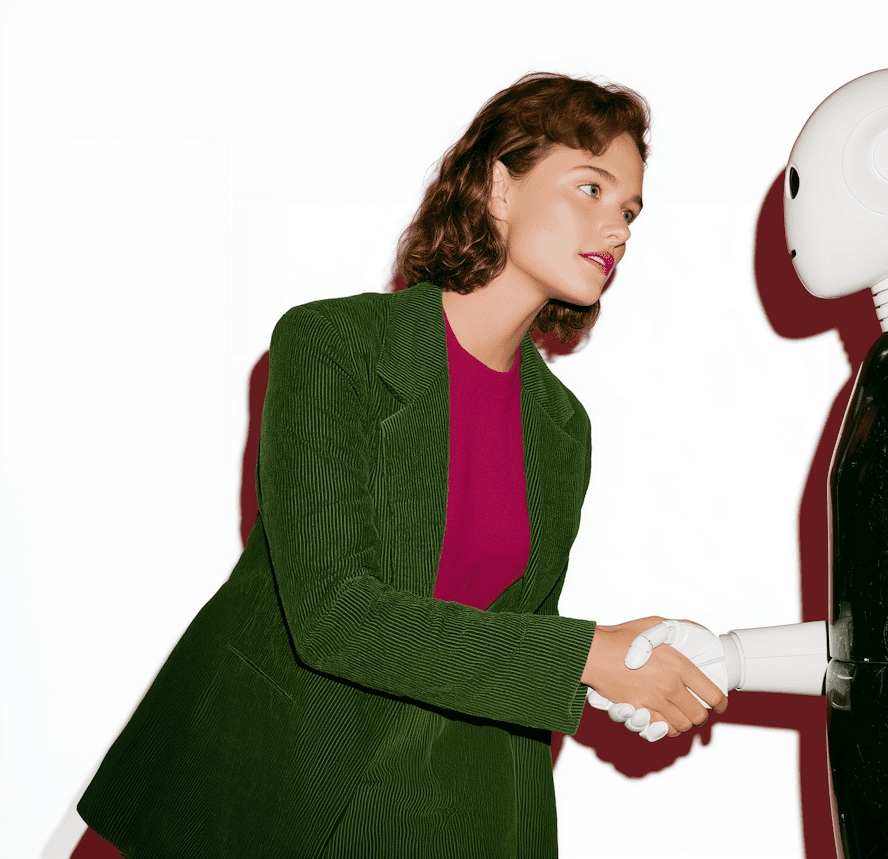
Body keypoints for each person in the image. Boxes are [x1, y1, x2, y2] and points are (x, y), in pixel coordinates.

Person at [77, 72, 727, 858]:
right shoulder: (331, 345)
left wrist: (608, 668)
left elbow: (513, 640)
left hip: (435, 810)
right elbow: (333, 612)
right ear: (500, 185)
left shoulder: (562, 429)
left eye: (629, 210)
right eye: (591, 188)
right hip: (259, 788)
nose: (616, 228)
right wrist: (586, 653)